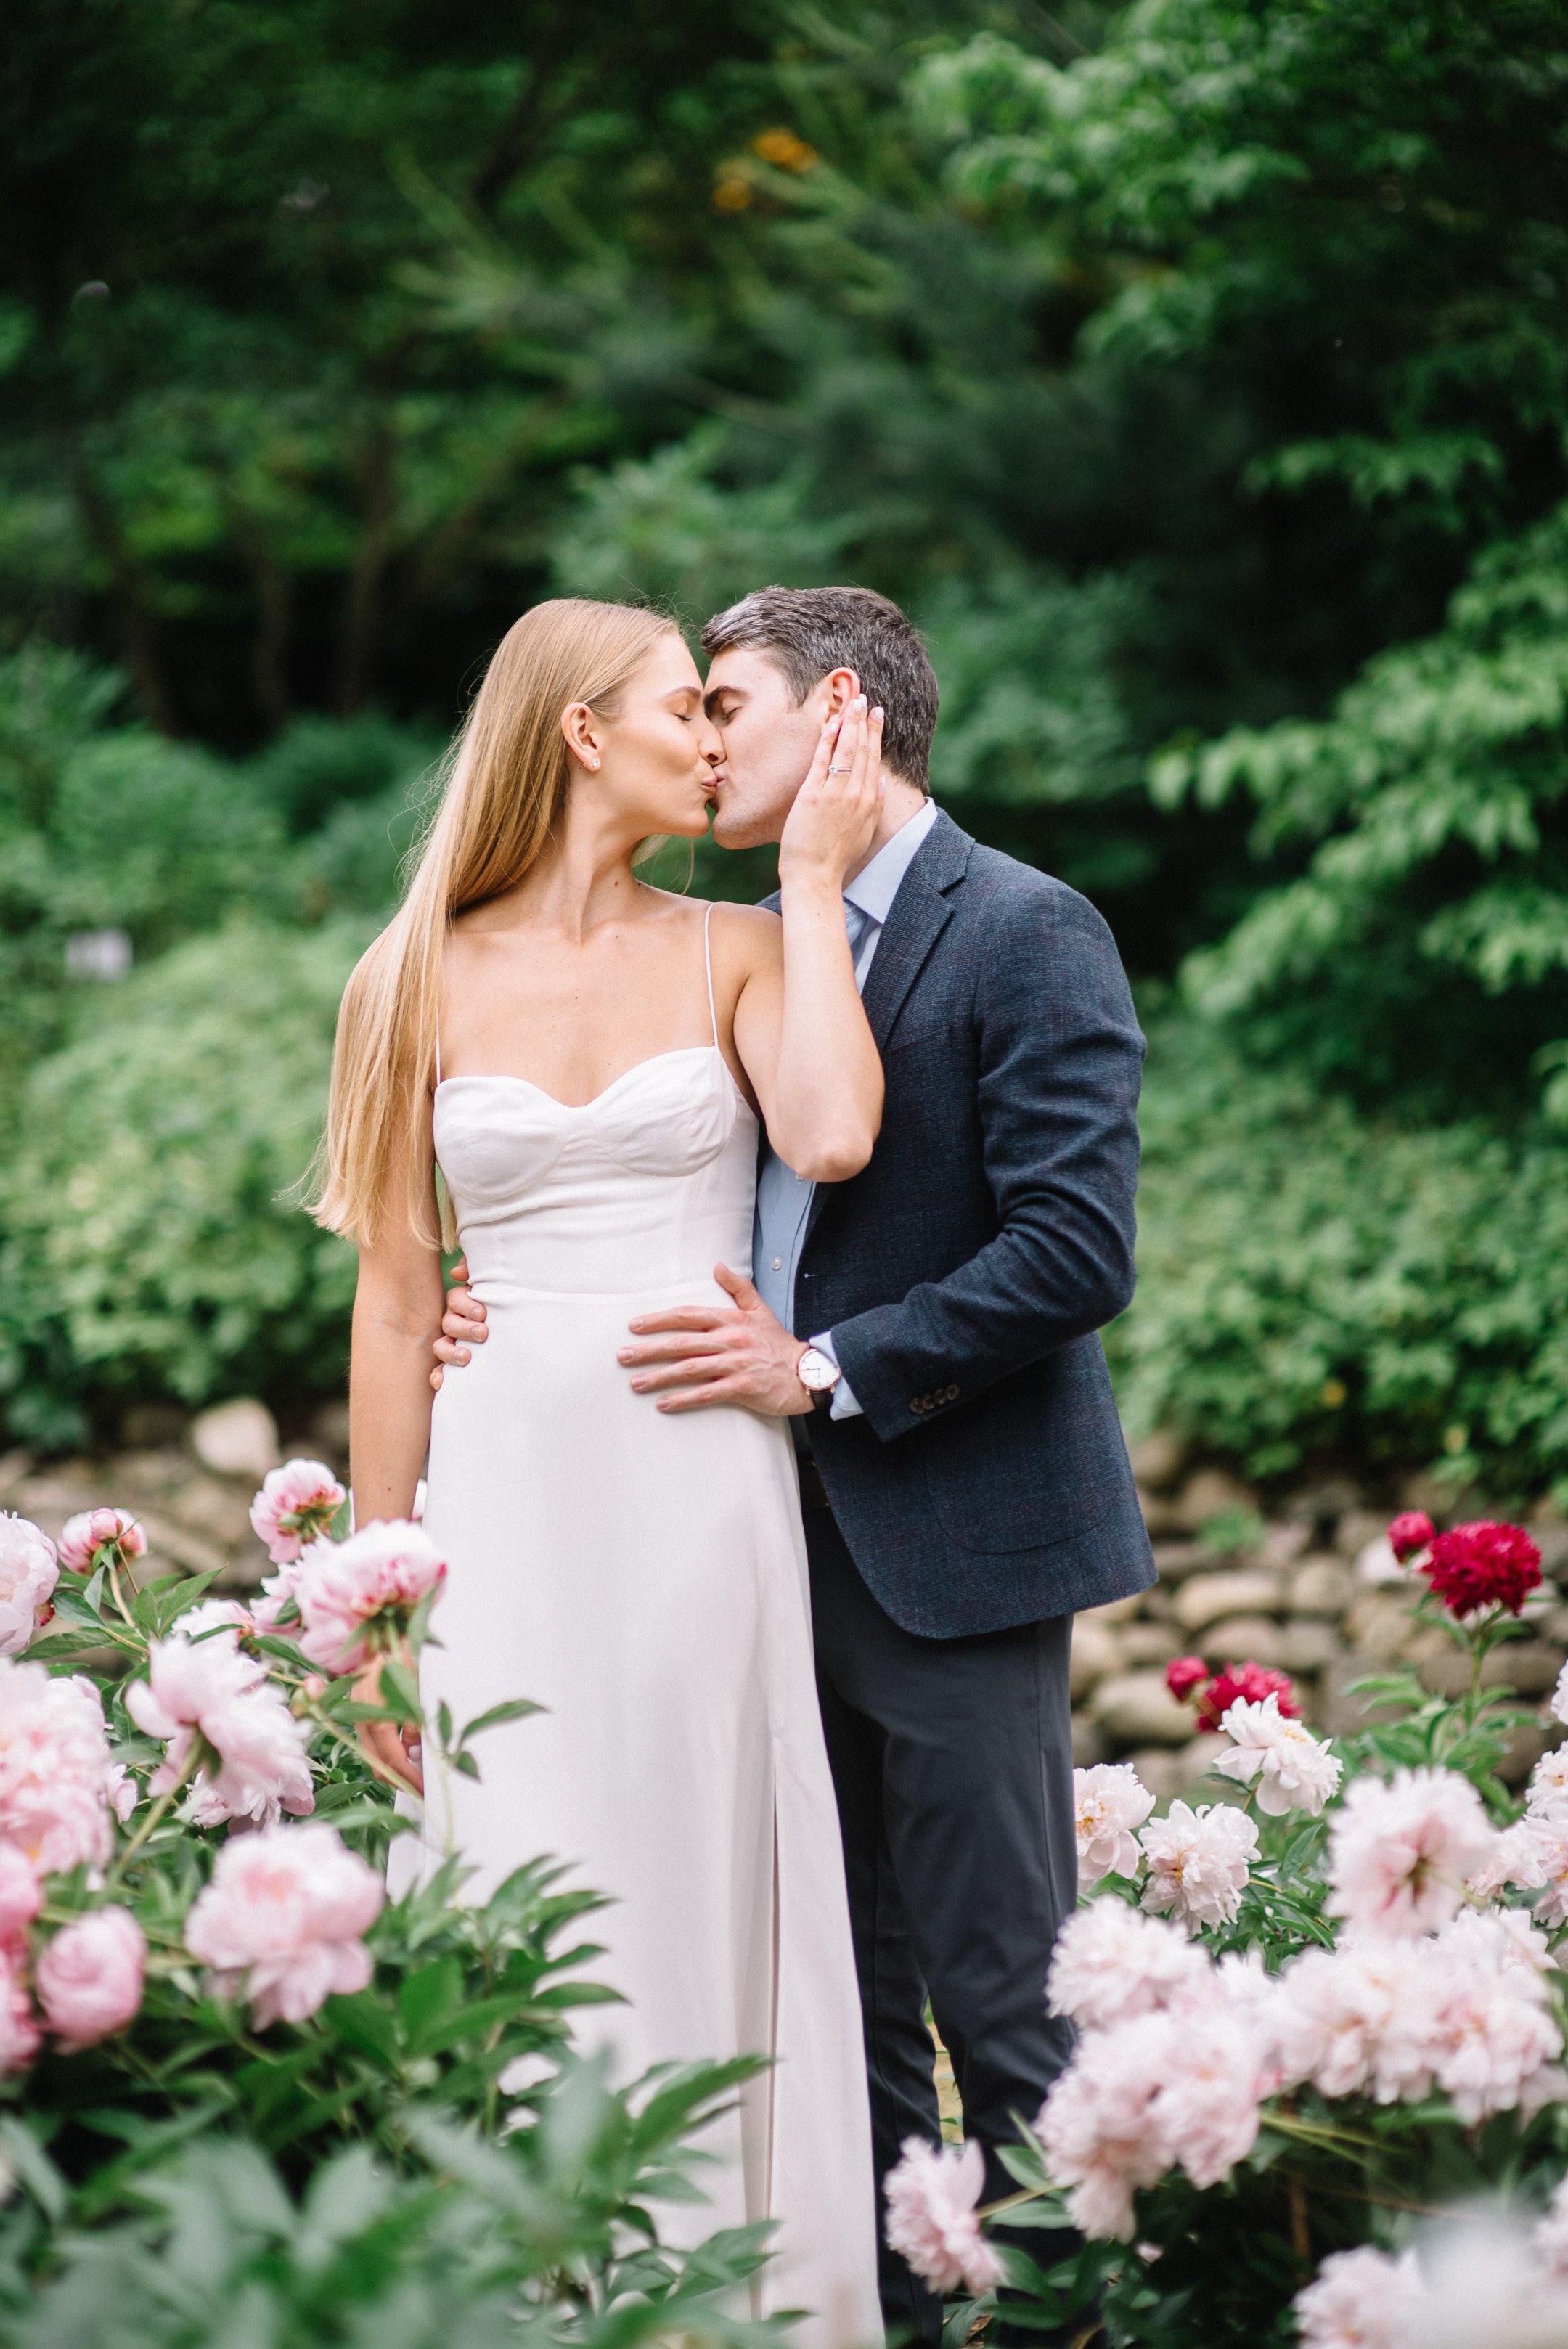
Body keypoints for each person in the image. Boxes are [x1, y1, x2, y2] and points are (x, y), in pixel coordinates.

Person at [436, 585, 1156, 2345]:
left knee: (1002, 2001)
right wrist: (505, 1306)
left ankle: (1080, 2326)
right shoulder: (739, 937)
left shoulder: (1028, 925)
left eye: (726, 708)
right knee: (832, 2015)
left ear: (839, 717)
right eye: (681, 710)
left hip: (954, 1540)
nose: (702, 745)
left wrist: (821, 1366)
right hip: (740, 1550)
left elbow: (1077, 1250)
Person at [313, 597, 885, 2348]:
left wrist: (802, 884)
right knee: (514, 1868)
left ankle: (743, 2307)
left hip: (696, 1493)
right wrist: (372, 1601)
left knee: (696, 1864)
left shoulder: (729, 946)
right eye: (682, 711)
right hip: (502, 1501)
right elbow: (400, 1303)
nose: (716, 742)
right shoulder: (410, 972)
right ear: (580, 731)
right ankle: (533, 2297)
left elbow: (835, 1132)